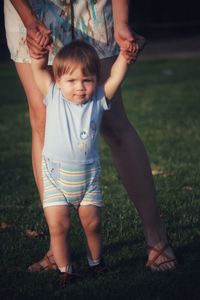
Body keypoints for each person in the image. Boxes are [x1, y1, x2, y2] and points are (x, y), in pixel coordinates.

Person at [4, 0, 177, 272]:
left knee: (113, 120)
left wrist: (121, 22)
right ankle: (56, 245)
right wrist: (29, 20)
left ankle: (156, 237)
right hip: (32, 7)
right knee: (42, 120)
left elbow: (112, 81)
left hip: (90, 6)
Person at [29, 36, 136, 284]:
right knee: (58, 226)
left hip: (88, 179)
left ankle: (96, 263)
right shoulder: (53, 94)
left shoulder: (98, 98)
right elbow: (37, 68)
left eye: (87, 80)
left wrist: (125, 56)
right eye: (72, 81)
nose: (80, 87)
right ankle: (65, 271)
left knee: (93, 223)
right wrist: (40, 50)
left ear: (96, 80)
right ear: (58, 80)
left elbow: (116, 77)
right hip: (56, 178)